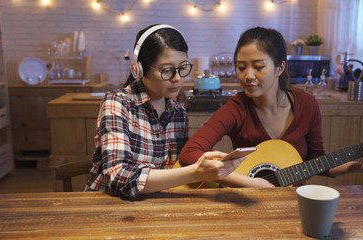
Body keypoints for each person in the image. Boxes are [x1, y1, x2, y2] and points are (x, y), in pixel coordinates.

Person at [179, 27, 363, 187]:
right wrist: (252, 184)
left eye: (258, 67)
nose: (248, 76)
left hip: (292, 203)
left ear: (280, 67)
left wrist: (362, 166)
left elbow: (317, 161)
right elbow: (189, 154)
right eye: (241, 67)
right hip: (247, 204)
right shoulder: (237, 108)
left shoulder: (307, 105)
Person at [85, 24, 245, 197]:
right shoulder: (118, 103)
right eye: (167, 70)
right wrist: (195, 172)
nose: (177, 79)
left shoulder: (178, 112)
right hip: (107, 206)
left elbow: (175, 171)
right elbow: (119, 178)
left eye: (183, 68)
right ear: (139, 69)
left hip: (155, 204)